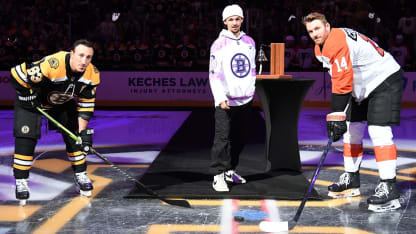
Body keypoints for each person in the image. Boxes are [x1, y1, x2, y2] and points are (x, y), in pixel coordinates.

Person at [303, 12, 403, 212]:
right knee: (351, 130)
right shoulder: (319, 49)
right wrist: (338, 115)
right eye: (310, 31)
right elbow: (340, 76)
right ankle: (352, 178)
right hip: (360, 86)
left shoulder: (336, 41)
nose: (314, 34)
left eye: (317, 28)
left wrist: (336, 113)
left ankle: (389, 186)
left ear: (328, 26)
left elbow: (342, 79)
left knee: (378, 131)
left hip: (384, 79)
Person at [10, 39, 100, 205]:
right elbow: (16, 73)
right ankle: (21, 182)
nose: (84, 61)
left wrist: (80, 134)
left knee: (75, 137)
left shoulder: (92, 74)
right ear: (71, 53)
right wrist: (26, 94)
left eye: (88, 57)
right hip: (31, 103)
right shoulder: (54, 64)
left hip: (60, 102)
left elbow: (86, 107)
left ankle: (81, 175)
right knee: (26, 138)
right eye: (80, 55)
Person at [208, 4, 256, 192]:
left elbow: (251, 69)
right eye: (231, 19)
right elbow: (214, 74)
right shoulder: (219, 44)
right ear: (225, 22)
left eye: (237, 19)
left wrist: (251, 91)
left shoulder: (249, 42)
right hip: (226, 100)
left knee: (239, 137)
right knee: (222, 138)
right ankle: (218, 175)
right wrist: (220, 97)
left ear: (242, 20)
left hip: (245, 99)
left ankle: (230, 170)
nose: (234, 23)